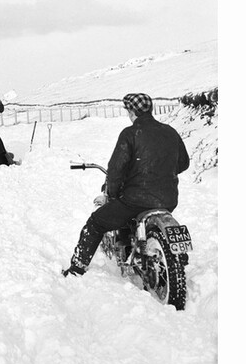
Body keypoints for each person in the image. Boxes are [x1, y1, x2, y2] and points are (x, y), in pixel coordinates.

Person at [62, 93, 191, 277]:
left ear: (132, 111)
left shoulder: (130, 133)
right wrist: (161, 173)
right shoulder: (170, 131)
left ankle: (76, 269)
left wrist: (112, 194)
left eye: (128, 111)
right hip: (168, 199)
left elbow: (115, 169)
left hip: (136, 200)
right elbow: (184, 163)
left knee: (96, 223)